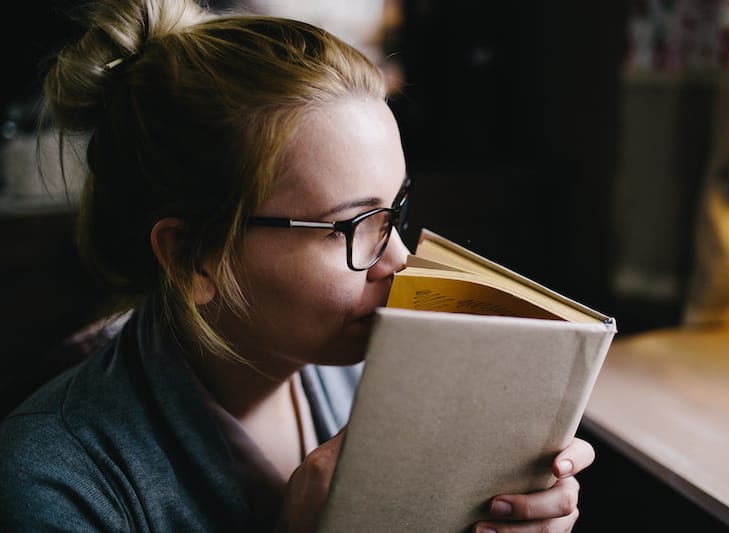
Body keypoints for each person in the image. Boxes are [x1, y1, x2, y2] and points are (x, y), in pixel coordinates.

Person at [0, 0, 596, 531]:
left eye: (396, 212)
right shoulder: (54, 487)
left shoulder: (385, 372)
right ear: (192, 258)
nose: (401, 260)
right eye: (355, 225)